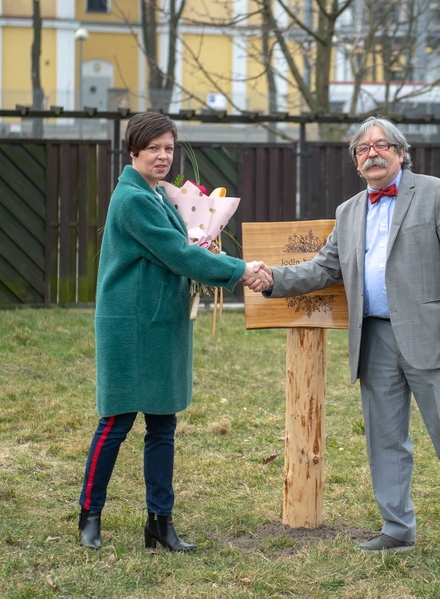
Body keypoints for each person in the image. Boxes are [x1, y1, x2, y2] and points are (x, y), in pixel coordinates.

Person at [245, 116, 440, 568]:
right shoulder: (349, 210)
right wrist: (271, 278)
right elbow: (322, 269)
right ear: (356, 162)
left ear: (400, 152)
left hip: (433, 339)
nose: (371, 153)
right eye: (362, 149)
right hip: (373, 339)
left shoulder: (435, 193)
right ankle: (397, 529)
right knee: (385, 439)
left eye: (381, 145)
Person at [78, 111, 270, 551]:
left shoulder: (158, 194)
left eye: (168, 148)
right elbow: (176, 253)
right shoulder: (132, 199)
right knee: (116, 422)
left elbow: (186, 245)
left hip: (161, 321)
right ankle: (89, 515)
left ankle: (159, 524)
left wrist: (209, 248)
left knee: (162, 426)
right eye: (153, 148)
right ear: (133, 152)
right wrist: (241, 269)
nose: (163, 156)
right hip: (129, 325)